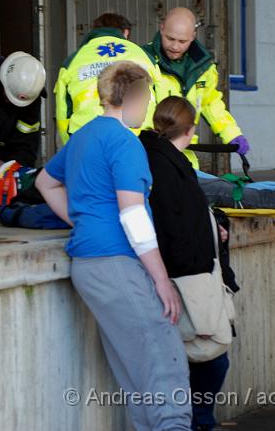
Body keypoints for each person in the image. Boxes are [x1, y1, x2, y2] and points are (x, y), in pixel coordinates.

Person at [37, 61, 192, 430]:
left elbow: (45, 182)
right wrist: (161, 280)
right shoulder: (124, 142)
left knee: (137, 379)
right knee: (165, 370)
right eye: (148, 96)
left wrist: (85, 222)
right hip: (118, 263)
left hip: (88, 266)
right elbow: (134, 216)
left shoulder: (84, 137)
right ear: (134, 96)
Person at [139, 97, 239, 431]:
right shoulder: (168, 165)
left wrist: (212, 227)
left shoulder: (160, 159)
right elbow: (175, 223)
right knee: (210, 360)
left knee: (202, 362)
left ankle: (198, 421)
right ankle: (200, 423)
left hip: (181, 273)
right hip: (186, 279)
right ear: (191, 129)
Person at [142, 7, 248, 168]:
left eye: (182, 41)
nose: (175, 46)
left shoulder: (204, 67)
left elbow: (210, 103)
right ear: (161, 28)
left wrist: (232, 134)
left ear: (193, 36)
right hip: (151, 153)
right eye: (170, 38)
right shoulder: (144, 60)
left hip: (185, 152)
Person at [54, 12, 155, 144]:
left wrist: (71, 148)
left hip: (86, 138)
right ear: (125, 32)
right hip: (137, 137)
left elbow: (63, 113)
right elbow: (159, 97)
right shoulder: (143, 55)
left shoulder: (74, 60)